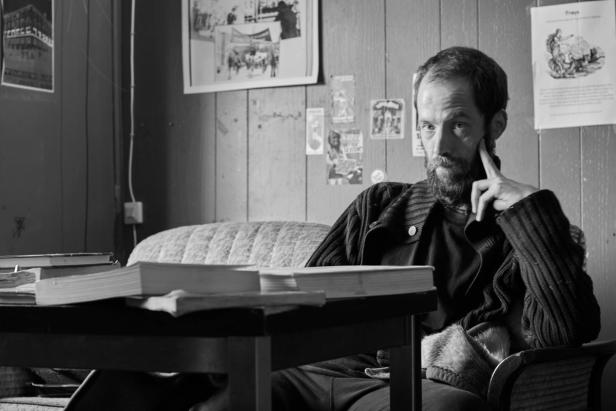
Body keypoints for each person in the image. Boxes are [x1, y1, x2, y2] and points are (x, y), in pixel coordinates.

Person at [67, 46, 601, 411]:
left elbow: (564, 335)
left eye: (458, 124)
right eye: (426, 125)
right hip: (312, 372)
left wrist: (533, 211)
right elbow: (303, 297)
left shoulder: (527, 229)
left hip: (410, 386)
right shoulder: (379, 206)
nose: (437, 147)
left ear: (494, 126)